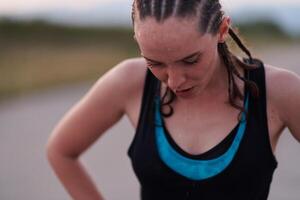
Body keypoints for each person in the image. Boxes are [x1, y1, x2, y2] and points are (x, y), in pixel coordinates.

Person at [46, 0, 300, 199]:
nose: (175, 81)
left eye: (190, 60)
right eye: (154, 63)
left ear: (222, 30)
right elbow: (61, 151)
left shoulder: (278, 90)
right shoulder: (129, 82)